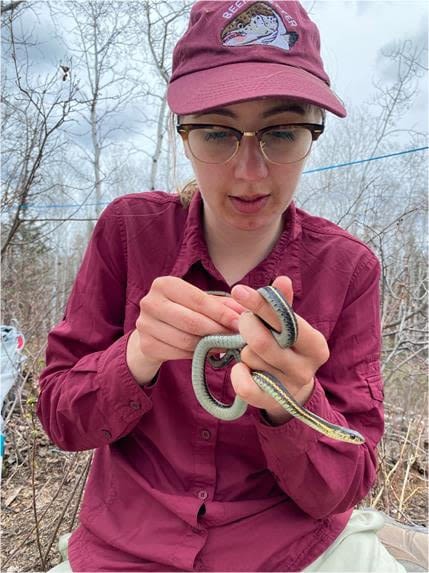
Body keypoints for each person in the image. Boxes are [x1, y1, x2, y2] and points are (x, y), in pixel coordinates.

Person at [37, 1, 420, 572]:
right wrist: (135, 355)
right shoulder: (128, 231)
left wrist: (290, 405)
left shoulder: (349, 268)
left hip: (294, 550)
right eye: (217, 133)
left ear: (311, 132)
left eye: (282, 132)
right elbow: (60, 417)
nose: (249, 171)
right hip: (128, 547)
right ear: (183, 135)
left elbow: (346, 479)